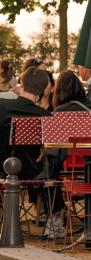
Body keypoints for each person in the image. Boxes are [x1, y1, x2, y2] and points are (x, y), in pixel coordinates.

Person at [0, 67, 65, 238]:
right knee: (53, 161)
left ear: (21, 83)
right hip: (31, 172)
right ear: (44, 90)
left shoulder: (1, 106)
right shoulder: (45, 116)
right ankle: (53, 220)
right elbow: (57, 146)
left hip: (2, 170)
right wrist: (44, 150)